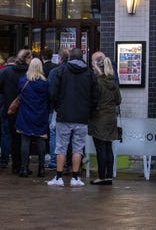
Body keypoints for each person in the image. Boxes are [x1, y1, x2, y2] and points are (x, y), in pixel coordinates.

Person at [47, 48, 99, 186]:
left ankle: (58, 177)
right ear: (82, 57)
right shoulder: (89, 73)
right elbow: (95, 96)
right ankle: (75, 177)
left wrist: (57, 107)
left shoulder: (61, 71)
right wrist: (89, 111)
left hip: (64, 115)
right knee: (78, 147)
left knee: (61, 147)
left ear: (69, 58)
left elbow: (52, 92)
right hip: (81, 116)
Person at [0, 49, 32, 174]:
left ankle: (14, 164)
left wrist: (5, 95)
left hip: (10, 108)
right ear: (27, 59)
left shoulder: (6, 72)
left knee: (12, 137)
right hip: (26, 109)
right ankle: (24, 166)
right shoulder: (29, 73)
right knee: (25, 138)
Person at [88, 52, 121, 185]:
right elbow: (118, 100)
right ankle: (108, 176)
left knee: (100, 148)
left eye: (94, 68)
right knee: (108, 148)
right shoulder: (113, 83)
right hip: (111, 118)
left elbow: (93, 101)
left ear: (98, 69)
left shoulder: (98, 83)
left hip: (99, 118)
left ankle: (101, 176)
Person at [16, 58, 50, 178]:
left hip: (25, 113)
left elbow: (19, 93)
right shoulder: (45, 83)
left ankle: (24, 168)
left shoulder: (23, 81)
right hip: (40, 114)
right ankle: (41, 169)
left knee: (25, 140)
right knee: (41, 140)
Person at [45, 48, 68, 170]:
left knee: (54, 134)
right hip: (72, 109)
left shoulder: (55, 71)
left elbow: (51, 92)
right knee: (70, 136)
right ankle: (68, 163)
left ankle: (55, 161)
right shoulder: (79, 71)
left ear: (59, 58)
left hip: (56, 108)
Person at [0, 55, 16, 169]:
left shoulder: (1, 72)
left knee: (5, 133)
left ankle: (4, 160)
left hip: (4, 104)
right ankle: (18, 161)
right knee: (17, 134)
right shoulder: (20, 71)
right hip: (17, 106)